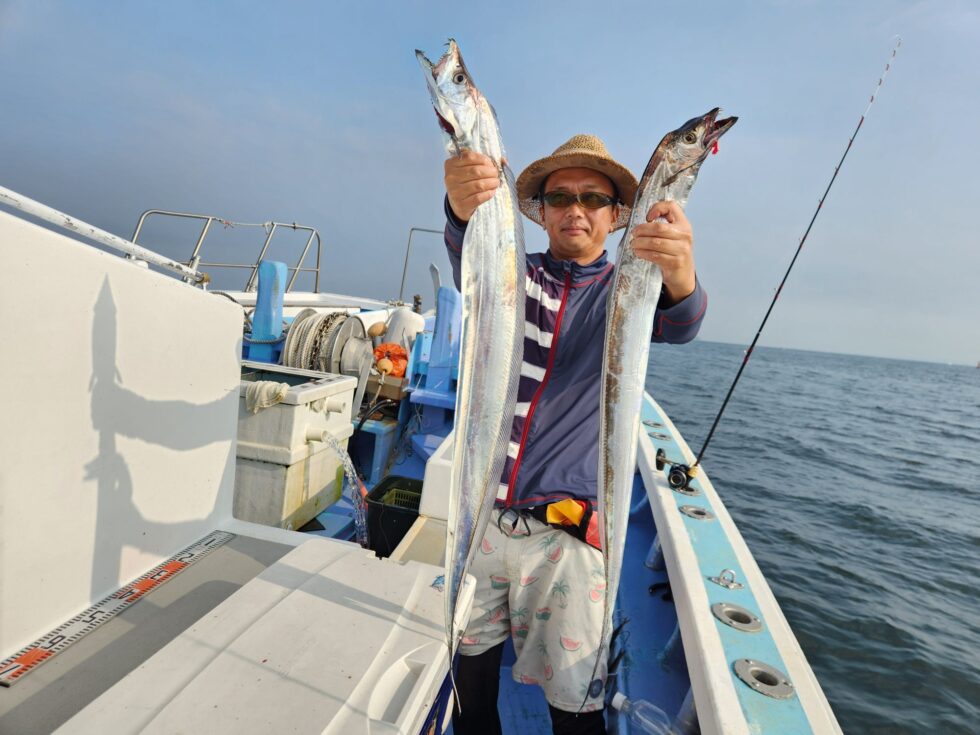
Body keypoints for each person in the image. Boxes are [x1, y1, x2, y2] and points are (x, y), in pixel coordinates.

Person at [442, 135, 706, 735]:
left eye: (593, 197)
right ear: (540, 210)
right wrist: (460, 212)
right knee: (470, 695)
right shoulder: (514, 277)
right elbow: (471, 260)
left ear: (617, 217)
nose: (575, 209)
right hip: (482, 521)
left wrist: (681, 273)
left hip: (568, 538)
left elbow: (681, 320)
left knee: (576, 714)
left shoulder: (626, 291)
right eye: (560, 196)